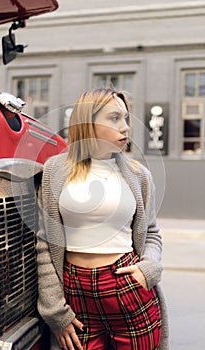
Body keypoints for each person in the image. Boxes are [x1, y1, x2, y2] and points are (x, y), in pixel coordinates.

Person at [36, 87, 169, 350]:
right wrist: (54, 311)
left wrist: (149, 268)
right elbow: (43, 242)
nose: (126, 127)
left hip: (128, 285)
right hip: (75, 293)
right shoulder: (55, 170)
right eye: (114, 118)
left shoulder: (138, 174)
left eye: (126, 118)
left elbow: (151, 232)